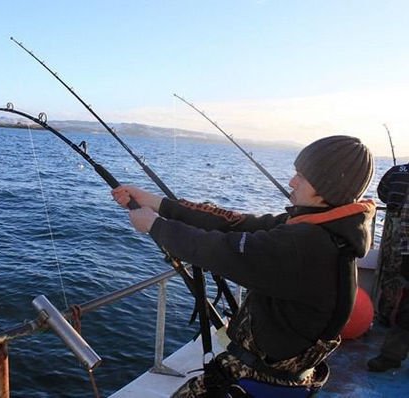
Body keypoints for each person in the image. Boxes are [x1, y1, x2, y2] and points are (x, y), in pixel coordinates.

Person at [112, 135, 375, 397]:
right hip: (284, 376)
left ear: (327, 186)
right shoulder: (324, 228)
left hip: (258, 380)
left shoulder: (305, 244)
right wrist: (155, 202)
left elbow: (221, 250)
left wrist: (155, 226)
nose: (291, 181)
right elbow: (235, 223)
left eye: (302, 177)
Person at [367, 161, 409, 372]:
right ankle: (390, 355)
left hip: (395, 233)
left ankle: (384, 315)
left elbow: (382, 192)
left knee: (392, 279)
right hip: (405, 244)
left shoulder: (397, 171)